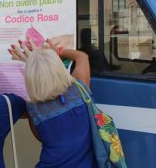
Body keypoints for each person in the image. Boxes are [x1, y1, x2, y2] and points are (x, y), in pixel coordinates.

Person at [8, 39, 97, 168]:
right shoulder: (80, 88)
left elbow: (40, 137)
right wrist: (57, 51)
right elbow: (82, 57)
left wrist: (35, 64)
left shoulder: (33, 109)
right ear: (59, 67)